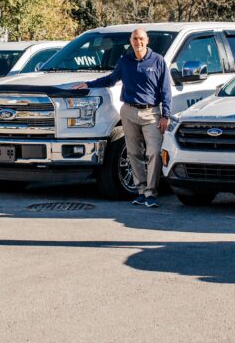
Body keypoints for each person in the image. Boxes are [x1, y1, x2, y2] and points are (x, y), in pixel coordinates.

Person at [72, 28, 171, 208]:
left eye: (141, 38)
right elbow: (111, 79)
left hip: (151, 113)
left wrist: (166, 115)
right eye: (134, 39)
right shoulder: (125, 61)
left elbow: (165, 90)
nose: (138, 42)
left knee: (154, 152)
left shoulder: (158, 61)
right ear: (131, 41)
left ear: (147, 40)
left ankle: (151, 193)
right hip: (129, 111)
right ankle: (141, 192)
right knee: (133, 153)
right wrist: (88, 84)